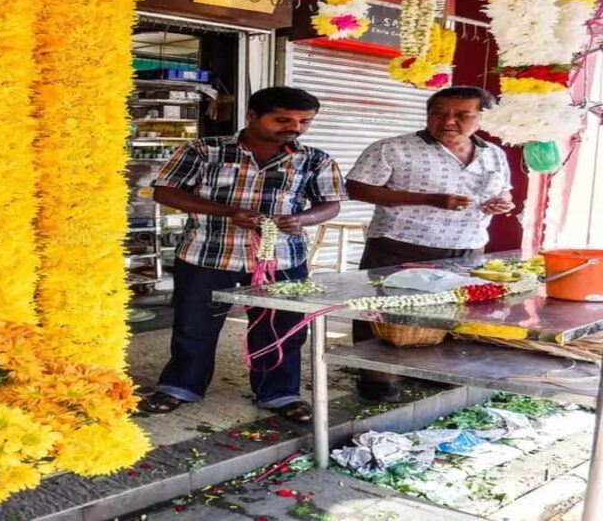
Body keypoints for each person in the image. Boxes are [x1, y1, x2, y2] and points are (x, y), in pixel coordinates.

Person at [139, 87, 345, 423]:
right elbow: (165, 191)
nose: (294, 127)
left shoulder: (315, 159)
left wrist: (303, 218)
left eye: (304, 121)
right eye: (282, 119)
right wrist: (226, 212)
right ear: (251, 116)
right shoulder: (205, 150)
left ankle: (279, 394)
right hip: (207, 255)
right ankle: (181, 386)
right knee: (195, 326)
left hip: (282, 259)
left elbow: (330, 204)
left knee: (281, 328)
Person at [345, 85, 514, 402]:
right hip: (401, 243)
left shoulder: (494, 154)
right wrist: (427, 199)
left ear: (482, 118)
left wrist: (502, 202)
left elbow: (504, 191)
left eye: (462, 115)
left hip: (467, 246)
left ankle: (429, 371)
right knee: (382, 311)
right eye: (439, 113)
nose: (449, 121)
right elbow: (357, 189)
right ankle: (376, 377)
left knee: (449, 313)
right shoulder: (392, 149)